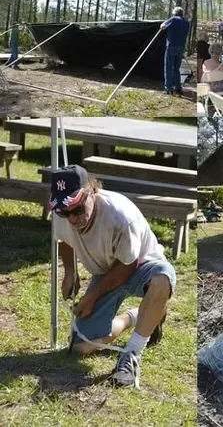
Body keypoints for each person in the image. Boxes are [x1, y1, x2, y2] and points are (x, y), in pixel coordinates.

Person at [52, 165, 174, 388]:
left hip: (141, 266)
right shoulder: (63, 211)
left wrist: (91, 297)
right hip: (105, 272)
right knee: (82, 346)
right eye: (65, 213)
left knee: (162, 279)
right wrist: (70, 273)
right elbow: (63, 241)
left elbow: (128, 266)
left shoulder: (120, 216)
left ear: (92, 191)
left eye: (78, 209)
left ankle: (132, 354)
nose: (72, 218)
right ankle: (138, 317)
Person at [160, 7, 189, 96]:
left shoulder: (173, 19)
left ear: (174, 13)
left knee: (168, 67)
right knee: (176, 69)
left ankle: (168, 88)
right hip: (181, 47)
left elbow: (162, 27)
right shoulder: (186, 22)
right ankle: (178, 88)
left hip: (172, 46)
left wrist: (164, 22)